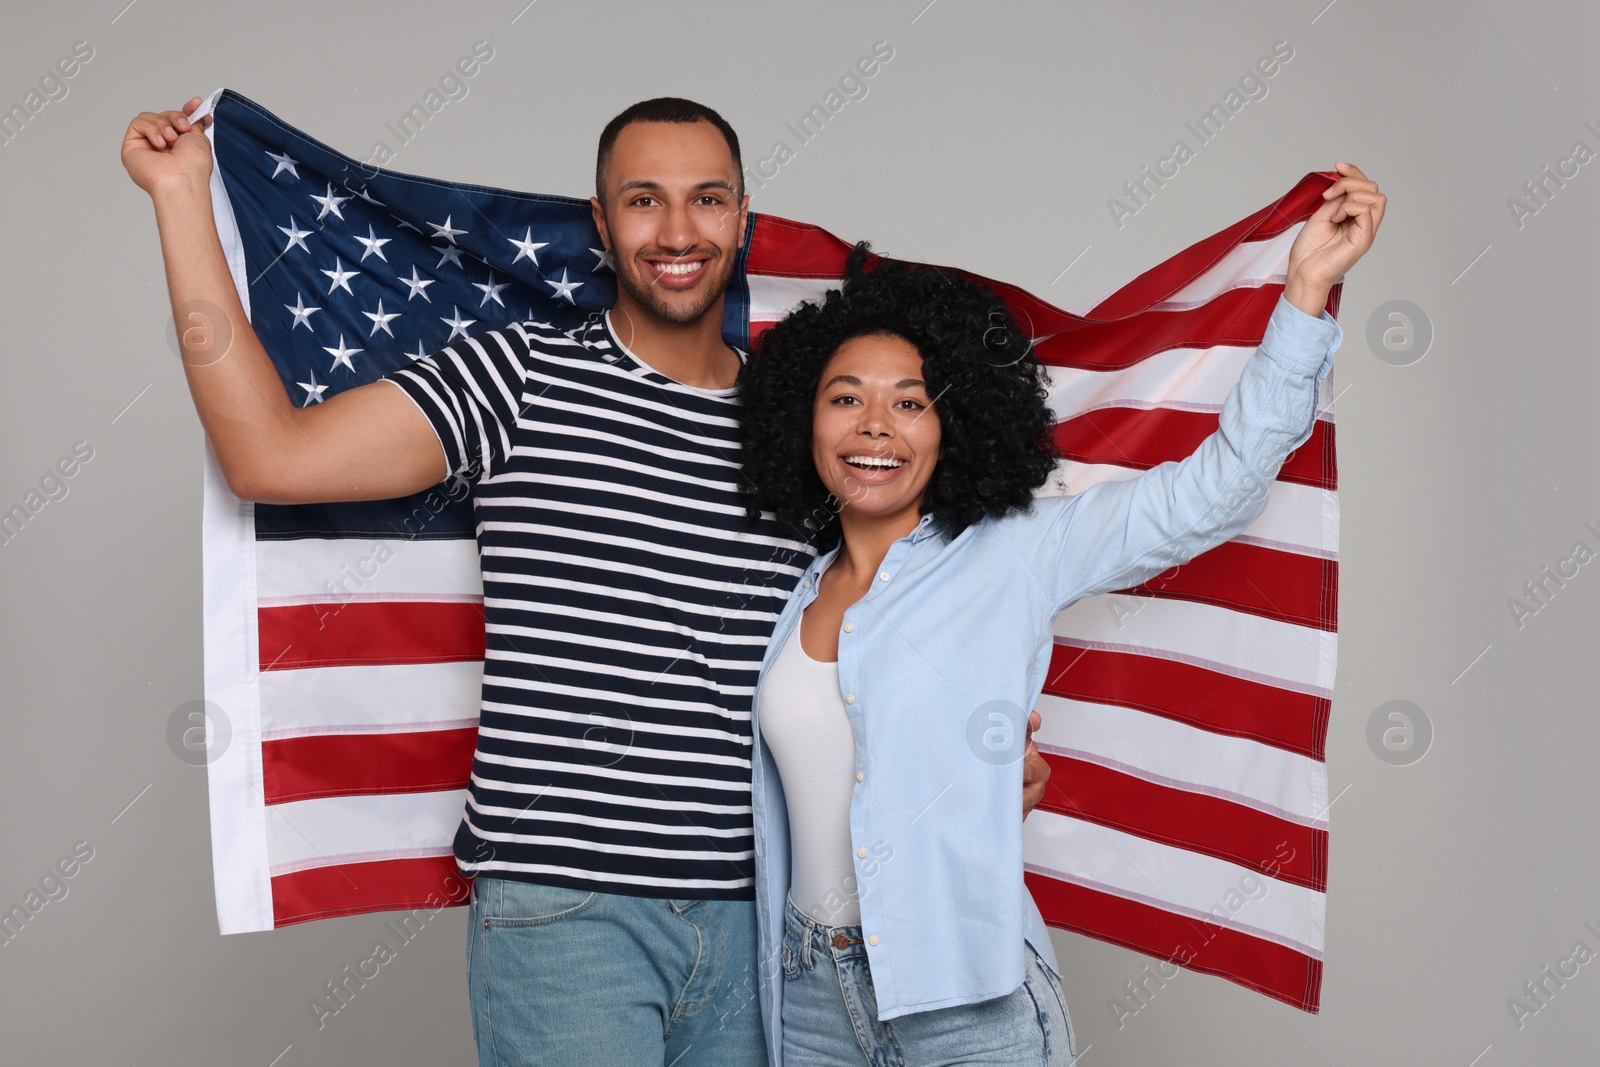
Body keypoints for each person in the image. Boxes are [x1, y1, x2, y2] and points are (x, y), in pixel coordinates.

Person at [120, 95, 1053, 1066]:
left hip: (761, 922)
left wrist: (976, 764)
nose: (679, 230)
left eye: (706, 199)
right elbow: (270, 457)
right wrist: (182, 196)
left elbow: (871, 659)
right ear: (601, 222)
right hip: (567, 909)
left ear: (741, 217)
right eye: (644, 200)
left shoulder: (810, 427)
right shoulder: (515, 378)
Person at [735, 165, 1384, 1065]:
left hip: (962, 996)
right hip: (804, 995)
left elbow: (1217, 492)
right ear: (803, 421)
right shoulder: (794, 590)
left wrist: (1304, 297)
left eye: (910, 401)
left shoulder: (1016, 549)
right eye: (846, 397)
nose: (875, 425)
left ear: (954, 425)